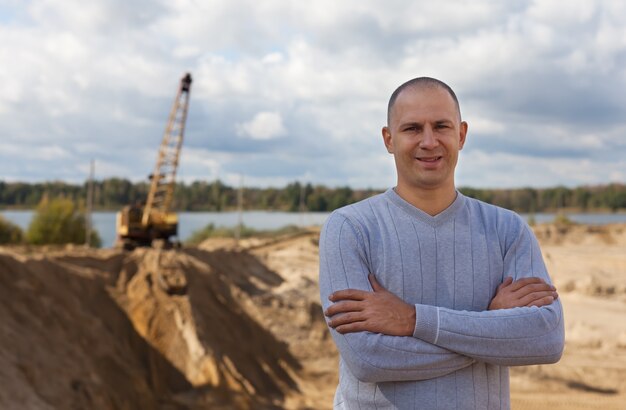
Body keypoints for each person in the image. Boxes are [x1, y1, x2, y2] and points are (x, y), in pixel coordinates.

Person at [318, 77, 564, 409]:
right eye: (412, 129)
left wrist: (410, 320)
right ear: (388, 139)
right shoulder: (350, 228)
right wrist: (490, 326)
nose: (429, 141)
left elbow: (544, 341)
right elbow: (367, 359)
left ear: (461, 134)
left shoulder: (507, 229)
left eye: (441, 126)